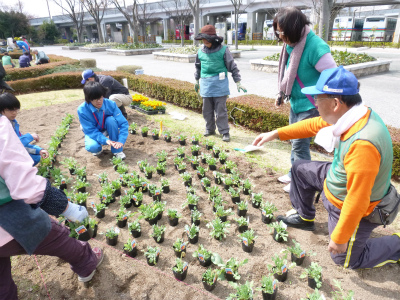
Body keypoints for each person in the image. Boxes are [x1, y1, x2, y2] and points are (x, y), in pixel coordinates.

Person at [252, 66, 400, 269]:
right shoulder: (353, 114)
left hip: (353, 203)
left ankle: (396, 244)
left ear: (336, 103)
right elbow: (314, 124)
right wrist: (276, 133)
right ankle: (304, 217)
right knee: (300, 168)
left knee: (345, 259)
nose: (315, 104)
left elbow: (357, 199)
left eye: (317, 99)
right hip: (337, 179)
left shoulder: (363, 143)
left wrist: (340, 237)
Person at [0, 113, 104, 299]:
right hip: (7, 221)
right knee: (57, 237)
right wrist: (66, 208)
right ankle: (87, 263)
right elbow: (23, 183)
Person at [273, 7, 337, 193]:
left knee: (300, 145)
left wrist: (325, 101)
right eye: (278, 31)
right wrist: (281, 93)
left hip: (312, 105)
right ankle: (295, 173)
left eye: (283, 32)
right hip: (297, 102)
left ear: (295, 28)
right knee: (294, 140)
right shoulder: (290, 45)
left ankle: (302, 182)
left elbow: (333, 76)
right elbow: (287, 74)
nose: (280, 37)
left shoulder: (315, 46)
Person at [194, 24, 247, 142]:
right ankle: (209, 129)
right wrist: (197, 80)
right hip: (206, 86)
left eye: (206, 39)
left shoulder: (223, 50)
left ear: (212, 38)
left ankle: (224, 132)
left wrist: (238, 81)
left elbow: (232, 66)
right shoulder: (200, 52)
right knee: (206, 110)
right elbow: (198, 67)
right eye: (203, 39)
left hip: (220, 86)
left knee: (221, 111)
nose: (204, 41)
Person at [78, 81, 129, 160]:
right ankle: (97, 148)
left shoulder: (110, 104)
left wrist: (121, 141)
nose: (99, 101)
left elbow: (123, 123)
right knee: (93, 147)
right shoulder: (82, 110)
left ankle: (117, 150)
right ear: (89, 99)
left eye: (100, 97)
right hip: (93, 131)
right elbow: (90, 131)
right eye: (95, 99)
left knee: (111, 120)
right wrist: (106, 140)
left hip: (107, 128)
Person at [0, 93, 49, 166]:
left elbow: (21, 145)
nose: (14, 113)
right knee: (27, 161)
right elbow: (12, 146)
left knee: (35, 158)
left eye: (16, 109)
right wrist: (30, 137)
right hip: (4, 160)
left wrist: (39, 150)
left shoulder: (13, 122)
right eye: (10, 110)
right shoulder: (2, 126)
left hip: (10, 155)